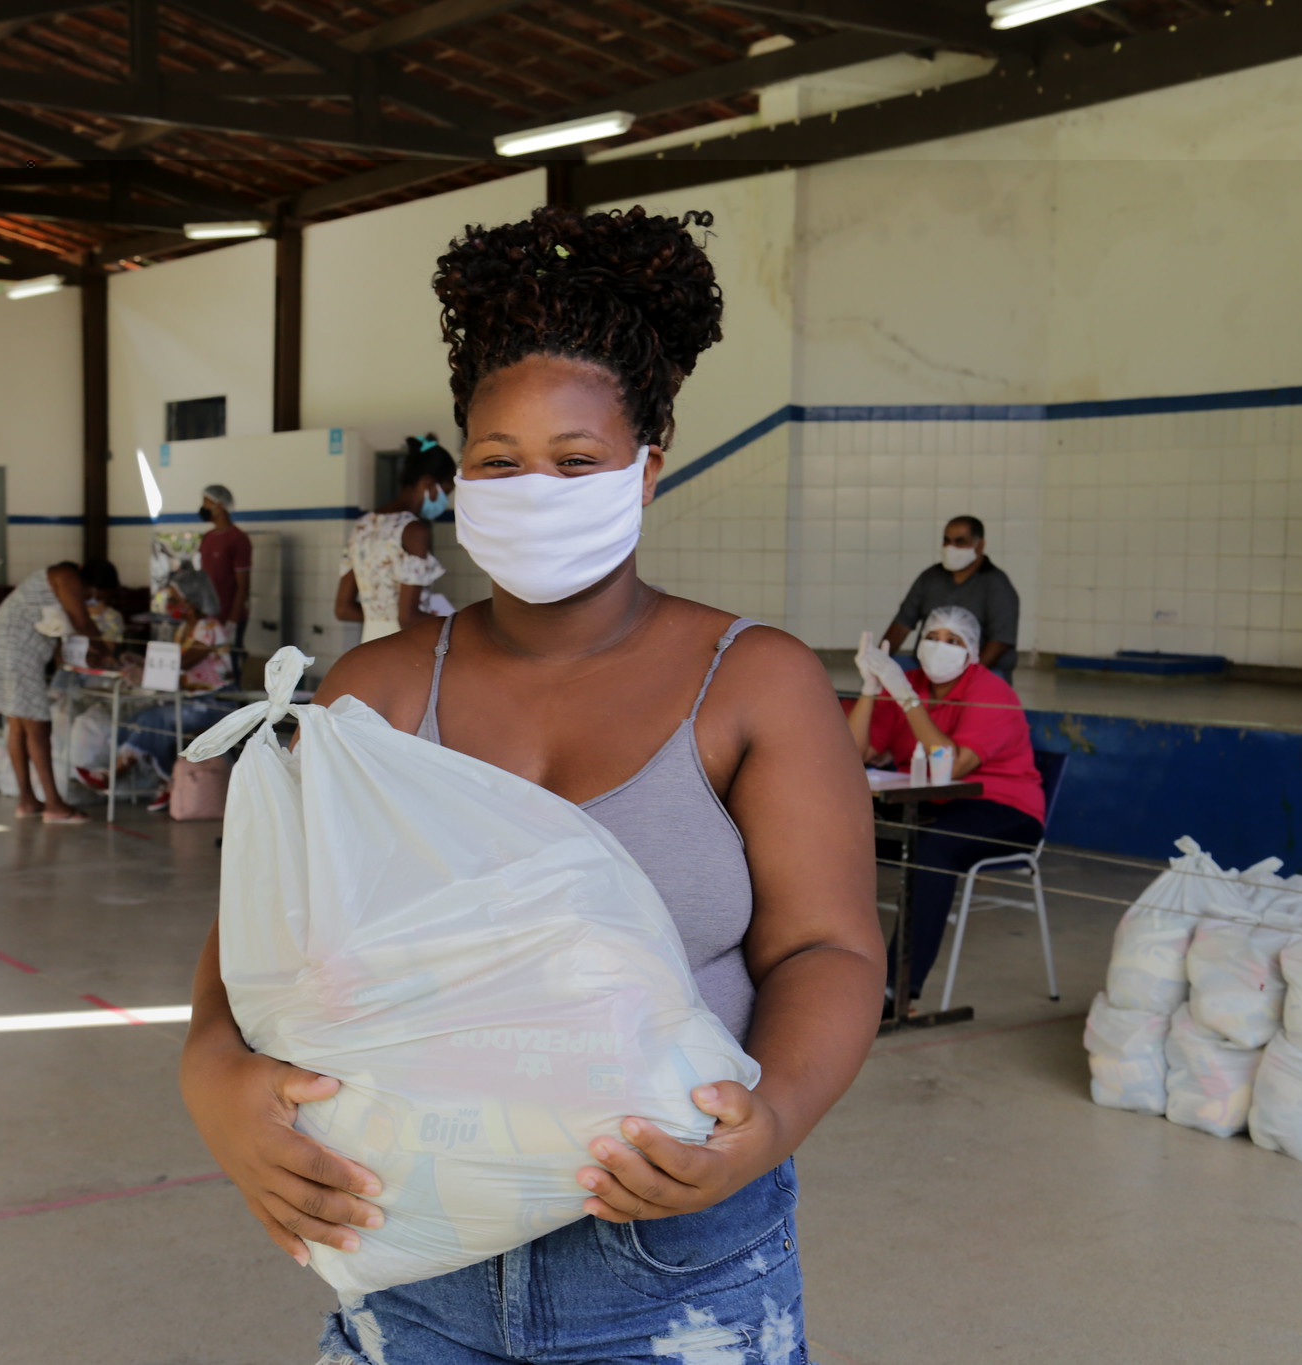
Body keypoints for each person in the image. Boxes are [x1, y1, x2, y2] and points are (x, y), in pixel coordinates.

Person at [179, 205, 882, 1364]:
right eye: (498, 463)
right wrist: (212, 1072)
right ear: (459, 480)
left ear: (645, 470)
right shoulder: (380, 692)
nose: (531, 487)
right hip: (411, 1267)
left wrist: (768, 1127)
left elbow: (828, 950)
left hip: (671, 1267)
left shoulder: (752, 683)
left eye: (574, 462)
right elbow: (259, 942)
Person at [847, 605, 1044, 1013]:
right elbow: (850, 754)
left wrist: (904, 698)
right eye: (933, 637)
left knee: (933, 847)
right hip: (926, 804)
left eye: (953, 642)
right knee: (836, 834)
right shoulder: (909, 681)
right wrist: (870, 690)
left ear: (971, 651)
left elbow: (951, 767)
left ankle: (898, 992)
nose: (940, 647)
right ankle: (828, 970)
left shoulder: (990, 692)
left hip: (1001, 807)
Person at [0, 558, 121, 823]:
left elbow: (73, 632)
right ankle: (54, 805)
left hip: (4, 645)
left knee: (18, 725)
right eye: (94, 594)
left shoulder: (60, 578)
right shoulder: (66, 576)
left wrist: (95, 653)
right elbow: (82, 623)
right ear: (92, 584)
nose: (91, 599)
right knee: (38, 726)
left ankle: (27, 800)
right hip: (16, 650)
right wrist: (109, 655)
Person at [90, 568, 237, 812]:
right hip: (188, 700)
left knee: (154, 720)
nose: (171, 605)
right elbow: (172, 663)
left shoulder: (208, 628)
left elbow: (183, 663)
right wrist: (138, 662)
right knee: (135, 720)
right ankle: (163, 781)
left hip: (213, 703)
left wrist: (146, 672)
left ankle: (115, 776)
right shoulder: (185, 629)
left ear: (191, 598)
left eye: (175, 599)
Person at [334, 435, 454, 643]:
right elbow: (408, 618)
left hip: (370, 645)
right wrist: (454, 624)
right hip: (404, 649)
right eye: (445, 492)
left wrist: (380, 623)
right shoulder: (414, 531)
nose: (444, 502)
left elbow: (343, 609)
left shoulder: (363, 526)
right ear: (428, 483)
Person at [883, 516, 1019, 679]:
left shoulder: (997, 585)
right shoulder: (930, 577)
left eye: (960, 541)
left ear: (980, 545)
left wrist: (969, 677)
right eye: (946, 541)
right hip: (927, 666)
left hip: (982, 669)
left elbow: (1000, 641)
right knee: (886, 674)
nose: (950, 547)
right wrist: (878, 659)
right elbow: (902, 624)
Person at [196, 484, 251, 642]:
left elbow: (243, 586)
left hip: (228, 616)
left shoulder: (237, 539)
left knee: (229, 663)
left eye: (206, 502)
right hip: (209, 616)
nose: (203, 507)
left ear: (220, 506)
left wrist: (233, 620)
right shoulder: (207, 538)